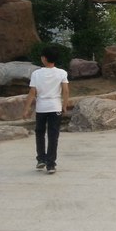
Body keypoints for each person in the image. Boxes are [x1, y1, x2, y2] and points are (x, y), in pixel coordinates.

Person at [22, 46, 69, 174]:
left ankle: (41, 159)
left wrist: (26, 109)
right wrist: (64, 105)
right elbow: (65, 91)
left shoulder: (36, 74)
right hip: (55, 107)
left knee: (40, 133)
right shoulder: (62, 73)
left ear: (43, 58)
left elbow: (32, 93)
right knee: (53, 136)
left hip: (41, 108)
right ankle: (51, 164)